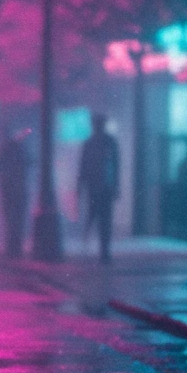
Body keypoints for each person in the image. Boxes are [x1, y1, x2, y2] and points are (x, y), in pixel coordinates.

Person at [77, 113, 120, 264]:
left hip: (102, 187)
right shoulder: (95, 143)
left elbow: (115, 166)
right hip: (97, 187)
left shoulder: (105, 142)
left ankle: (102, 251)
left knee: (102, 220)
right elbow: (83, 167)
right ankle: (92, 247)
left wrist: (115, 186)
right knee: (96, 218)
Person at [0, 127, 32, 258]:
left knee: (9, 219)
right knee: (18, 219)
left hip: (8, 189)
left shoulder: (5, 149)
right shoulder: (22, 149)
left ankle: (11, 247)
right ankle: (16, 247)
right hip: (20, 189)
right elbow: (30, 163)